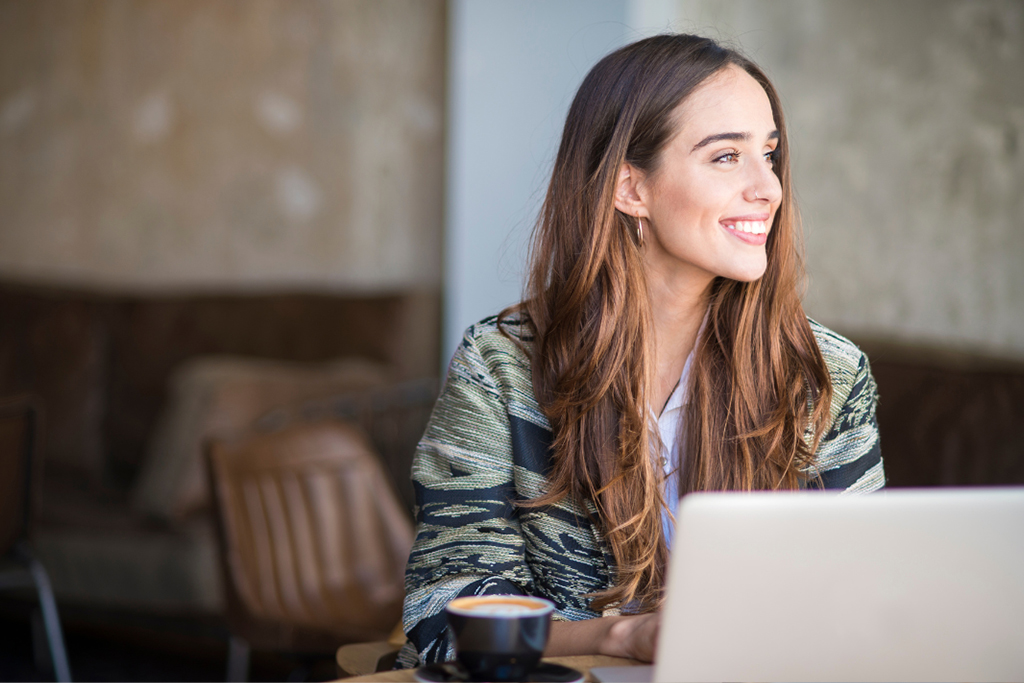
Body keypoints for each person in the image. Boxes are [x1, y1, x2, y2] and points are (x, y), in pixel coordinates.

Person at [398, 33, 884, 669]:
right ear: (630, 187)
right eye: (725, 158)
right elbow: (445, 612)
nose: (768, 188)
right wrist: (622, 637)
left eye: (769, 154)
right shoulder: (500, 368)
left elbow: (863, 598)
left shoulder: (825, 374)